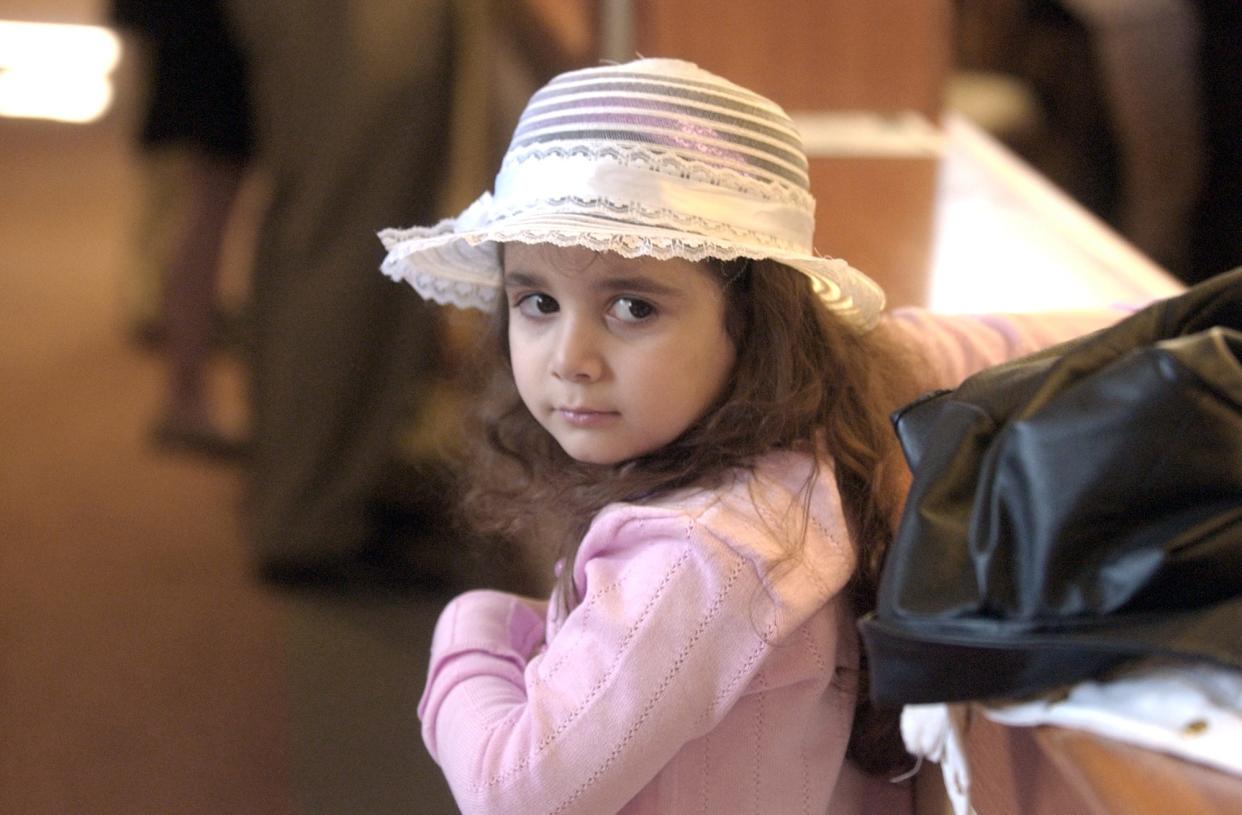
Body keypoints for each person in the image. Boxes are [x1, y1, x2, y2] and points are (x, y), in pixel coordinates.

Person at [379, 59, 1123, 814]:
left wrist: (476, 623)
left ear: (752, 319)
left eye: (632, 308)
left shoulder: (695, 554)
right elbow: (1016, 341)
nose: (570, 359)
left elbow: (511, 792)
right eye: (537, 301)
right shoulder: (835, 407)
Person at [110, 0, 254, 457]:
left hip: (186, 26)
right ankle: (186, 398)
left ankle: (185, 392)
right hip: (209, 28)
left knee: (197, 203)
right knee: (207, 206)